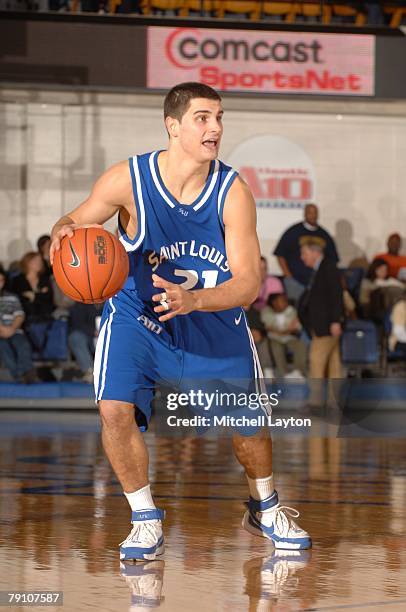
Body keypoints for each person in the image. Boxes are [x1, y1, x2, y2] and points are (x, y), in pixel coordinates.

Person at [50, 82, 311, 562]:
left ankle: (265, 508)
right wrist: (60, 234)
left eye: (219, 117)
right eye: (203, 118)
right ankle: (144, 519)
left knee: (249, 426)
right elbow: (74, 221)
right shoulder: (127, 179)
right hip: (138, 316)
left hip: (208, 315)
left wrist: (196, 300)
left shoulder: (233, 192)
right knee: (113, 410)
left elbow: (250, 283)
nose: (215, 128)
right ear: (173, 126)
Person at [298, 240, 344, 386]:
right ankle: (334, 405)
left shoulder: (328, 267)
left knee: (316, 365)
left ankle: (315, 404)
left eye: (304, 253)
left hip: (326, 326)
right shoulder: (318, 270)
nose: (302, 257)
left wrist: (336, 321)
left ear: (315, 252)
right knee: (333, 367)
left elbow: (337, 295)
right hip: (322, 326)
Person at [273, 204, 339, 303]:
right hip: (295, 280)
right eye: (310, 213)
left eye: (315, 213)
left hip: (318, 283)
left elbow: (333, 259)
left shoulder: (324, 235)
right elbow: (280, 254)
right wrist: (288, 275)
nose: (312, 215)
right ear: (304, 214)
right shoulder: (293, 231)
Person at [0, 268, 37, 384]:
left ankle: (26, 372)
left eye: (1, 280)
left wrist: (12, 329)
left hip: (14, 330)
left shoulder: (11, 297)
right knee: (4, 347)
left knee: (23, 344)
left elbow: (19, 314)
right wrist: (2, 329)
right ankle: (18, 375)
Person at [261, 293, 306, 379]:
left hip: (289, 337)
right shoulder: (266, 311)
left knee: (300, 345)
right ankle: (284, 373)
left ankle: (298, 372)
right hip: (274, 338)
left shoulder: (291, 310)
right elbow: (268, 327)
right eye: (282, 301)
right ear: (274, 303)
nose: (285, 302)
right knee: (277, 349)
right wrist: (286, 329)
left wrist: (282, 331)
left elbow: (296, 327)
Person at [11, 252, 54, 325]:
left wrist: (33, 296)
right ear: (27, 262)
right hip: (25, 316)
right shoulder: (18, 280)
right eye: (35, 261)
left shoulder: (45, 279)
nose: (39, 263)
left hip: (45, 316)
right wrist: (40, 295)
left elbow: (49, 298)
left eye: (40, 261)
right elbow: (18, 299)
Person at [68, 302, 101, 383]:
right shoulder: (82, 304)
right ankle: (89, 371)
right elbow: (77, 325)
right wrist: (94, 331)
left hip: (110, 337)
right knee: (75, 337)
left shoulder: (114, 301)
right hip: (91, 338)